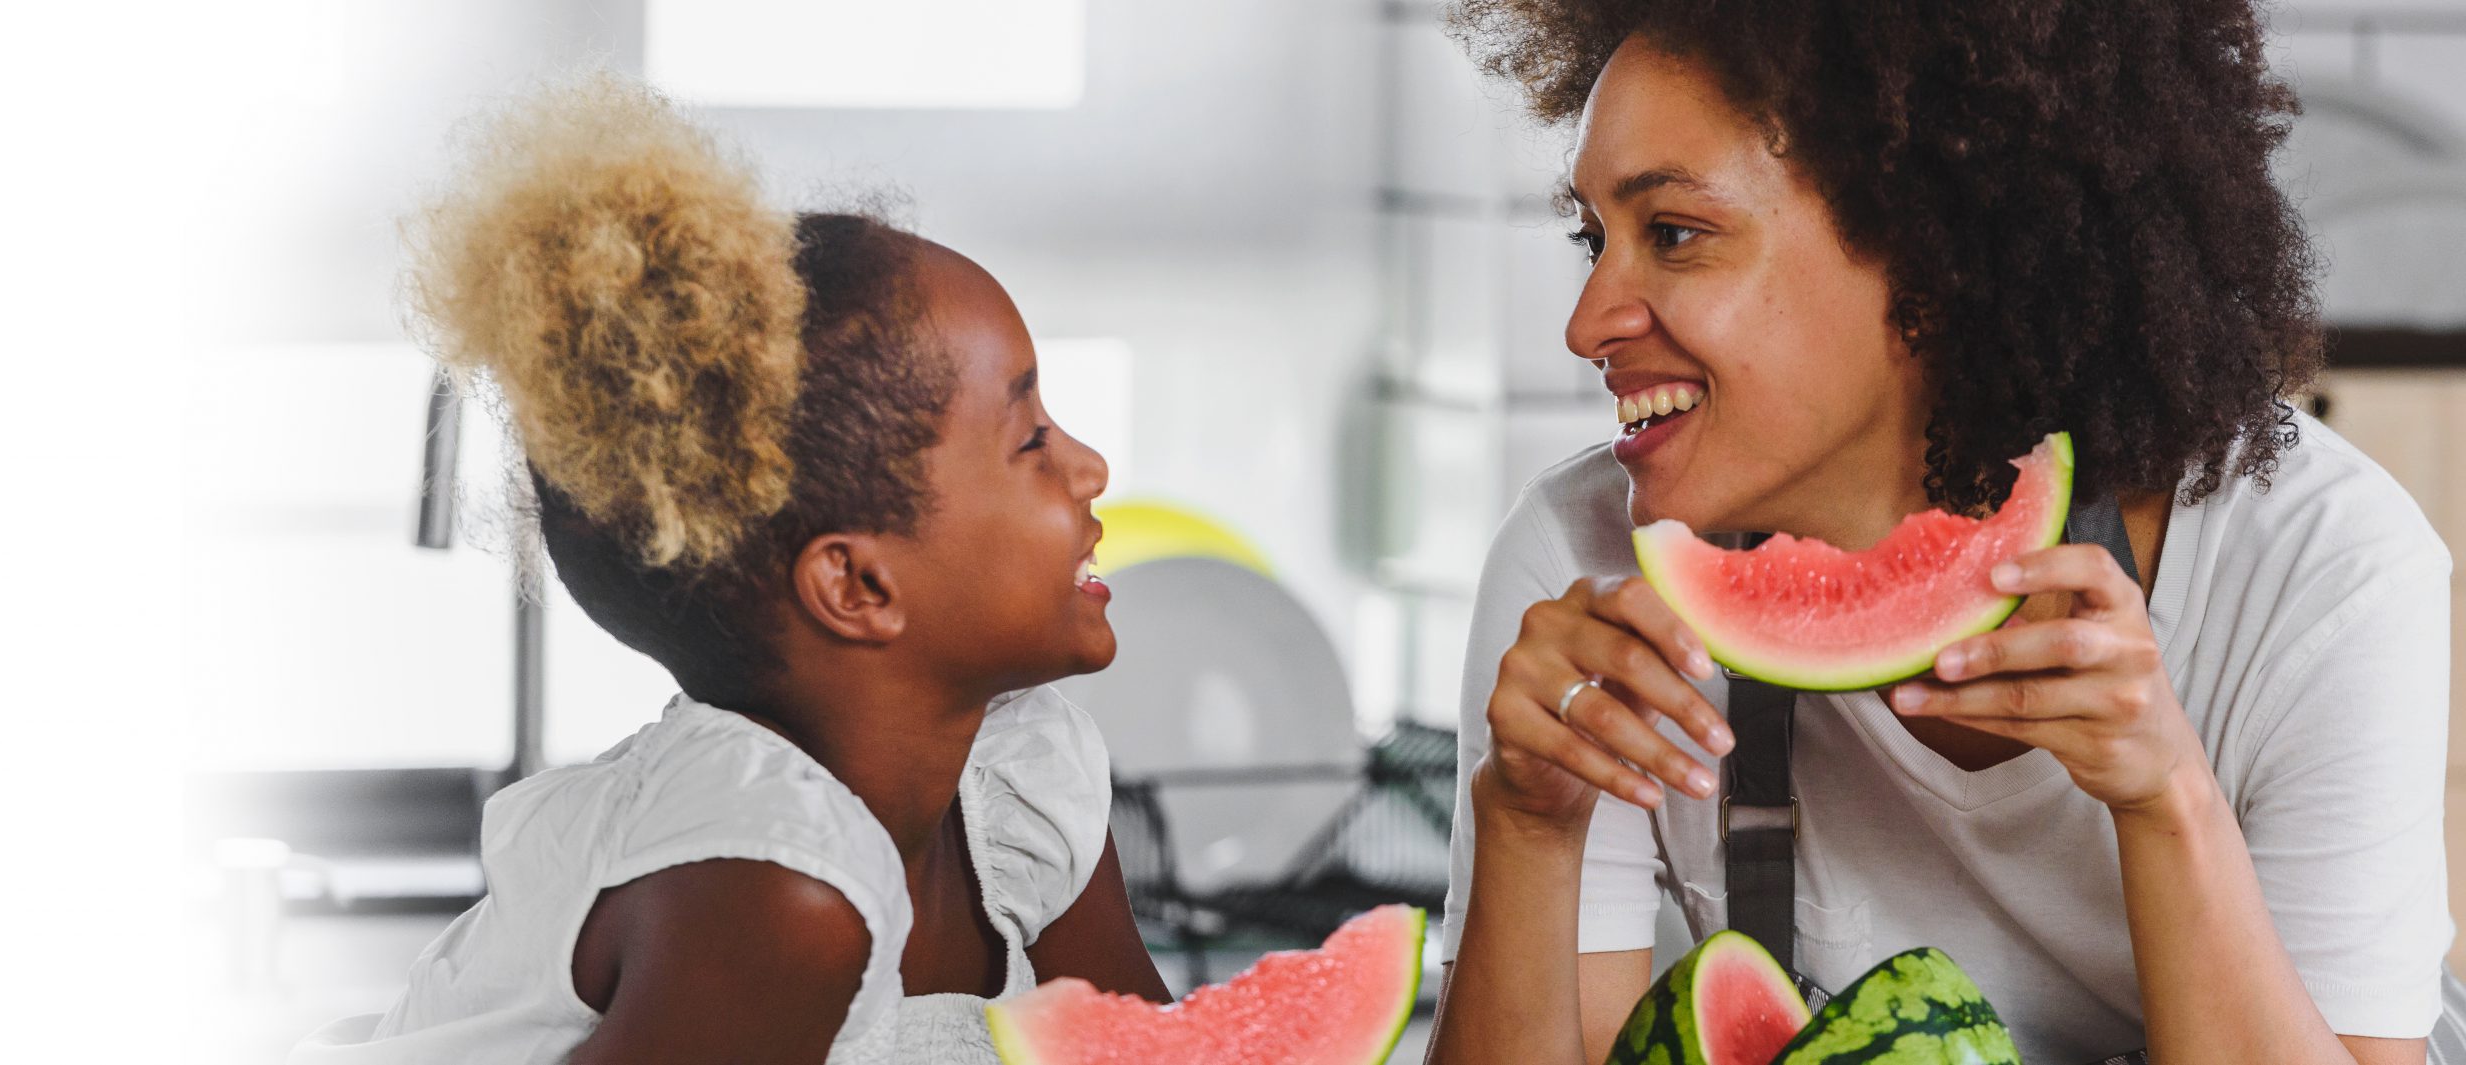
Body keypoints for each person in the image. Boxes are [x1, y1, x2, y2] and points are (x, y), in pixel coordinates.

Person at [1425, 3, 2452, 1064]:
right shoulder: (1584, 574)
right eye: (1593, 238)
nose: (1586, 322)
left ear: (1931, 252)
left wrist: (2167, 799)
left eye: (1675, 236)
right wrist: (1525, 826)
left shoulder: (2318, 573)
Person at [291, 73, 1169, 1065]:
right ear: (857, 588)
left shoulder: (1022, 781)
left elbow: (1152, 1056)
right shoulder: (773, 891)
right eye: (1029, 439)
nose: (1089, 468)